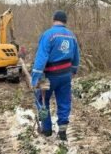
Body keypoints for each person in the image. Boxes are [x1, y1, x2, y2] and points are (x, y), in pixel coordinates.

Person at [31, 10, 80, 141]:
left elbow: (41, 58)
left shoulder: (48, 35)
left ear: (54, 19)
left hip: (48, 75)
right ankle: (62, 130)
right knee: (64, 101)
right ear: (65, 21)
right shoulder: (72, 36)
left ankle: (46, 129)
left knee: (42, 100)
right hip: (65, 75)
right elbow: (76, 57)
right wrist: (73, 71)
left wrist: (35, 77)